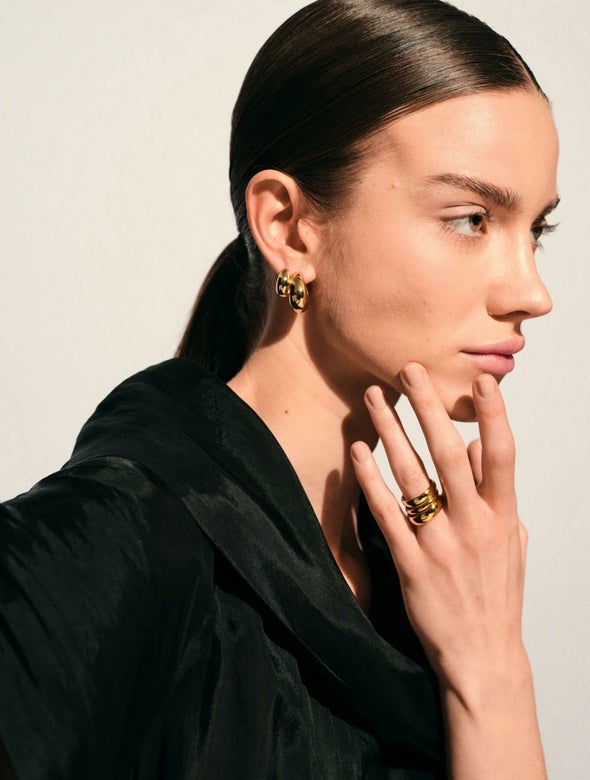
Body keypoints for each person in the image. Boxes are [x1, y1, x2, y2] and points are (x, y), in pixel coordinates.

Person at [0, 0, 560, 777]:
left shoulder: (437, 581)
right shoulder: (95, 548)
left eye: (537, 230)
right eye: (471, 218)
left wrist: (493, 668)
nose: (533, 293)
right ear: (289, 228)